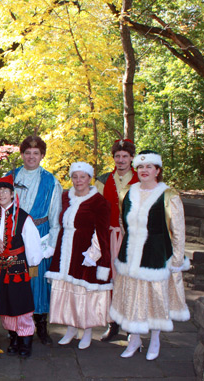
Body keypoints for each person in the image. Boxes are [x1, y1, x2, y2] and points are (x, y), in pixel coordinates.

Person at [110, 150, 190, 360]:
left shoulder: (168, 195)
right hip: (131, 254)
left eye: (149, 167)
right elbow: (122, 222)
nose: (144, 171)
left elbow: (178, 230)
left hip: (156, 254)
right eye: (141, 167)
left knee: (155, 298)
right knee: (131, 297)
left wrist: (177, 259)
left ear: (158, 170)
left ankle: (155, 340)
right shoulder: (128, 192)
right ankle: (134, 339)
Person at [45, 162, 112, 349]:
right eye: (75, 176)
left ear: (90, 178)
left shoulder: (99, 202)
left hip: (85, 253)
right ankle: (71, 328)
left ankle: (87, 331)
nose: (78, 180)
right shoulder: (66, 197)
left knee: (84, 292)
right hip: (65, 250)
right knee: (68, 290)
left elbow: (102, 232)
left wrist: (94, 255)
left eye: (83, 177)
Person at [7, 135, 62, 345]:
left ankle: (40, 323)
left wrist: (51, 245)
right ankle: (14, 328)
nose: (31, 157)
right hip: (14, 236)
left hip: (40, 236)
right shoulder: (9, 178)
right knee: (14, 278)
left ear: (42, 155)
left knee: (36, 279)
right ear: (22, 154)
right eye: (27, 153)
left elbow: (55, 216)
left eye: (36, 153)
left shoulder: (50, 181)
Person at [0, 175, 44, 358]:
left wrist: (33, 269)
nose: (1, 194)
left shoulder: (23, 217)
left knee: (21, 305)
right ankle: (13, 337)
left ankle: (26, 341)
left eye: (5, 191)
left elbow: (33, 245)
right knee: (5, 305)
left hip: (18, 269)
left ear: (12, 194)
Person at [95, 139, 139, 341]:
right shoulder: (103, 180)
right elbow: (94, 209)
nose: (121, 160)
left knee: (130, 280)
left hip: (133, 239)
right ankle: (113, 324)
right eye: (117, 156)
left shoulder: (141, 179)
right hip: (110, 237)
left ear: (131, 158)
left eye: (125, 156)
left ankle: (131, 326)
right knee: (110, 280)